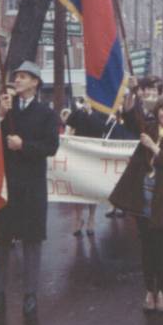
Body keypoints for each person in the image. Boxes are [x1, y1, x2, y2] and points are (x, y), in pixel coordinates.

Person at [0, 61, 60, 317]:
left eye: (23, 76)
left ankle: (30, 294)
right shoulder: (8, 111)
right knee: (3, 240)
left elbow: (51, 147)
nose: (17, 80)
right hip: (8, 186)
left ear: (35, 82)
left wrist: (24, 145)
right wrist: (0, 116)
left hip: (32, 187)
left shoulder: (46, 114)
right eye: (16, 76)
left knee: (31, 240)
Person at [109, 95, 163, 313]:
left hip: (162, 197)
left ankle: (160, 291)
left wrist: (154, 147)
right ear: (158, 111)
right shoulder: (149, 127)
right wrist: (130, 101)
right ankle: (149, 291)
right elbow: (131, 119)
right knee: (145, 246)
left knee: (159, 246)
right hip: (141, 194)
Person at [66, 99, 106, 237]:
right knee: (78, 187)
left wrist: (90, 112)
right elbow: (69, 127)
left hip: (94, 155)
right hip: (78, 154)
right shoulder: (78, 112)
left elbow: (101, 128)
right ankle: (78, 217)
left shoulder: (101, 112)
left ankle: (91, 218)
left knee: (91, 188)